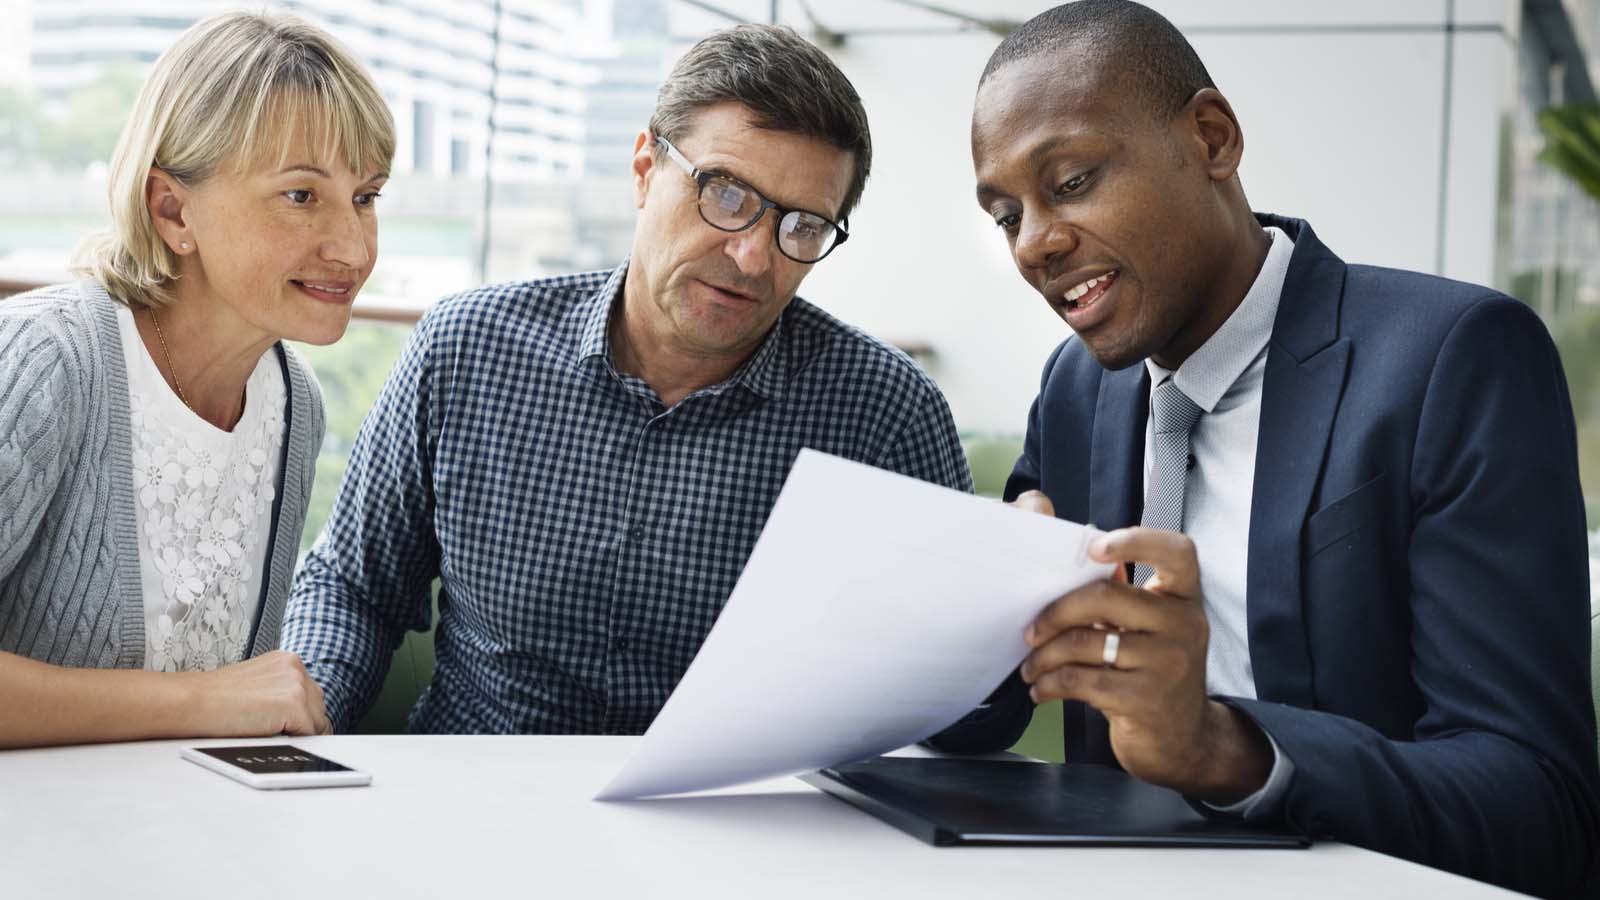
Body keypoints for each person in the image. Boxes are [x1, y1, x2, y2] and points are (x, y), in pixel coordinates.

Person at [936, 2, 1600, 895]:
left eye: (1074, 181)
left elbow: (1541, 805)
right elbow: (988, 714)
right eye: (1005, 213)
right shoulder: (1076, 387)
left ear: (1212, 139)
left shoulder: (1454, 359)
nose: (1035, 245)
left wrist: (1223, 749)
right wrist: (956, 625)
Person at [281, 24, 971, 735]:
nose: (754, 256)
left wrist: (1007, 627)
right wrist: (300, 724)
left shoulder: (886, 413)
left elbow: (955, 699)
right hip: (471, 806)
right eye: (726, 194)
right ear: (645, 168)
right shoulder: (467, 349)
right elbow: (353, 589)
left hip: (738, 829)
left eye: (801, 227)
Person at [0, 10, 395, 747]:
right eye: (301, 195)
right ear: (172, 209)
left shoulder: (293, 405)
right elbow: (219, 702)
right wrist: (199, 703)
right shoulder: (48, 362)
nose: (351, 245)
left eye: (366, 197)